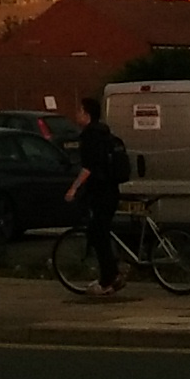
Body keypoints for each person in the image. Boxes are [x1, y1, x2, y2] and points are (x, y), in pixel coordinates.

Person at [63, 95, 131, 294]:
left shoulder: (90, 136)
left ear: (86, 114)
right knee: (100, 232)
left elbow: (89, 167)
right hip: (111, 190)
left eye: (79, 111)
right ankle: (112, 275)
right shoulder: (105, 133)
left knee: (98, 234)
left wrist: (73, 188)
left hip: (100, 192)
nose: (76, 114)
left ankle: (108, 279)